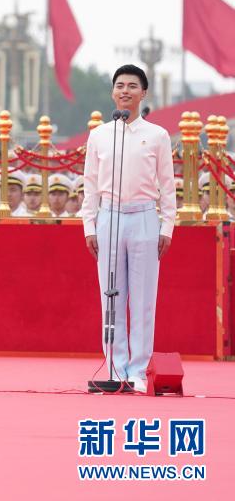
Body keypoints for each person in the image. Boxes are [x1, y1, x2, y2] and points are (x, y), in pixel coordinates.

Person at [81, 64, 176, 393]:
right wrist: (88, 225)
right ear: (112, 92)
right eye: (120, 85)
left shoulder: (158, 136)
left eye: (132, 86)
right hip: (109, 216)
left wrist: (168, 226)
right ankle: (115, 366)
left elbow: (168, 185)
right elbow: (90, 185)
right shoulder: (100, 135)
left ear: (143, 93)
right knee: (111, 297)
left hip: (145, 217)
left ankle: (138, 369)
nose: (125, 90)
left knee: (143, 297)